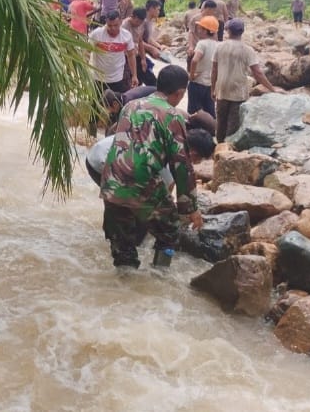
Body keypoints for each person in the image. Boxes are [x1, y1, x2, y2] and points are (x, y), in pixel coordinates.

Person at [100, 65, 205, 269]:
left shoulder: (130, 106)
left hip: (111, 180)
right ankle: (160, 275)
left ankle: (124, 282)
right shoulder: (173, 115)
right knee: (170, 230)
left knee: (123, 245)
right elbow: (182, 166)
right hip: (141, 182)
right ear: (180, 93)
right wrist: (191, 208)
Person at [211, 19, 285, 142]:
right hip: (238, 92)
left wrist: (213, 89)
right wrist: (272, 89)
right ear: (242, 32)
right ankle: (229, 147)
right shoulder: (247, 50)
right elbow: (258, 73)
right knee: (234, 124)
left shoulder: (219, 47)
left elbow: (214, 70)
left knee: (221, 121)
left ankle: (218, 146)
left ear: (228, 31)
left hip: (222, 90)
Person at [86, 128, 215, 187]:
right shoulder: (171, 152)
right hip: (101, 161)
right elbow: (168, 187)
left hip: (99, 150)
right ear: (193, 153)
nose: (196, 163)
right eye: (199, 160)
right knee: (125, 205)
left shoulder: (172, 136)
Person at [89, 10, 137, 94]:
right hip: (98, 78)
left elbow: (131, 55)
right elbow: (86, 51)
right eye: (109, 25)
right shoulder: (96, 34)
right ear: (106, 22)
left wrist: (134, 75)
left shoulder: (126, 36)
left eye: (116, 25)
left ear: (121, 22)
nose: (113, 28)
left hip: (118, 78)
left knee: (118, 101)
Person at [187, 15, 219, 117]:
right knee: (209, 111)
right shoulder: (218, 45)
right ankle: (211, 126)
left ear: (206, 31)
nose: (198, 31)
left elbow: (195, 60)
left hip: (198, 82)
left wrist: (191, 75)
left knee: (194, 112)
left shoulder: (202, 44)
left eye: (200, 28)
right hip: (210, 84)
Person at [121, 8, 150, 88]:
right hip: (126, 56)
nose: (138, 24)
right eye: (137, 21)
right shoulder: (124, 26)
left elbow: (140, 41)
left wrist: (143, 59)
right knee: (127, 80)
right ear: (132, 17)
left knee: (142, 76)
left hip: (135, 55)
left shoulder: (140, 25)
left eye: (141, 22)